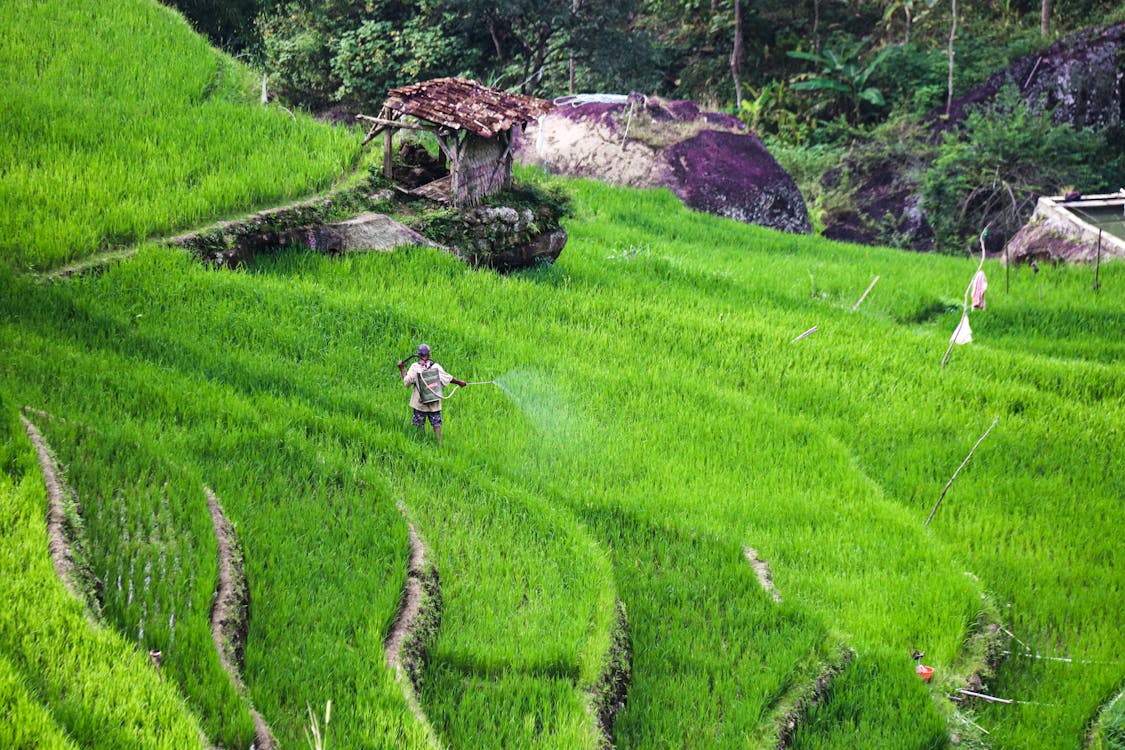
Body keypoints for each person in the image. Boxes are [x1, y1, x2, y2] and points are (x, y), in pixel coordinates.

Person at [397, 344, 466, 446]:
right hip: (434, 404)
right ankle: (439, 443)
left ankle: (421, 443)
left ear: (418, 354)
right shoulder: (436, 367)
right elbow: (448, 378)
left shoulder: (415, 368)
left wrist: (402, 369)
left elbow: (407, 382)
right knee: (436, 425)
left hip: (420, 404)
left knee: (420, 425)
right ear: (429, 354)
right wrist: (460, 382)